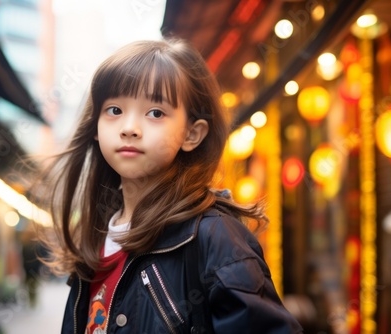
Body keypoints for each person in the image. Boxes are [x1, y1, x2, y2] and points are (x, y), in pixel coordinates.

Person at [42, 39, 303, 333]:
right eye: (114, 110)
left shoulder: (215, 238)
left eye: (155, 113)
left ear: (192, 134)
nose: (129, 127)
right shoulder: (96, 239)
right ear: (96, 128)